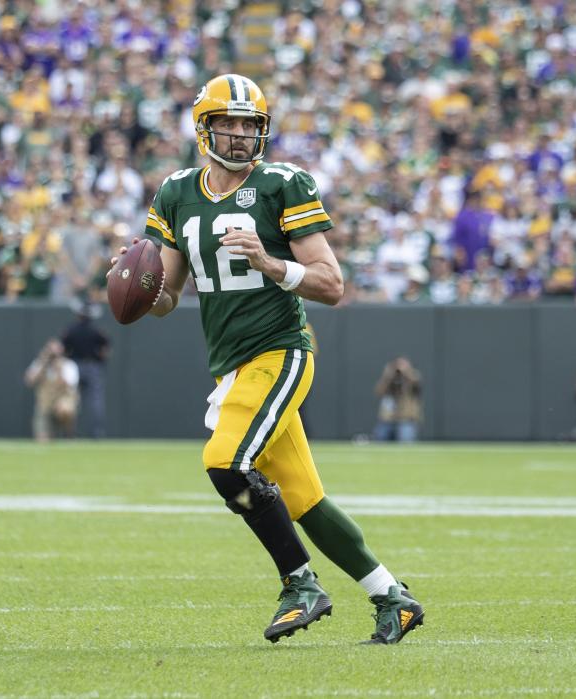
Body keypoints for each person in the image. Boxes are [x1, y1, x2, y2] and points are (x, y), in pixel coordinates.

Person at [115, 73, 424, 644]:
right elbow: (167, 300)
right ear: (204, 128)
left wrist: (271, 263)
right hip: (231, 363)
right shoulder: (177, 192)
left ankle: (300, 581)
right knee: (306, 502)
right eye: (227, 124)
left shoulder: (285, 184)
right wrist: (137, 289)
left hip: (280, 351)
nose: (239, 135)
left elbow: (332, 285)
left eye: (248, 125)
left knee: (225, 462)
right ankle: (392, 597)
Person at [61, 301, 109, 438]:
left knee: (72, 399)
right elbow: (105, 349)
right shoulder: (96, 331)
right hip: (92, 366)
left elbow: (63, 349)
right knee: (95, 401)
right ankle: (97, 433)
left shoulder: (71, 330)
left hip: (74, 366)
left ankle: (69, 433)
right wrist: (101, 361)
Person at [23, 338, 79, 442]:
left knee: (65, 410)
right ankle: (50, 434)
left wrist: (59, 369)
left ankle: (69, 435)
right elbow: (29, 381)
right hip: (44, 406)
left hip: (61, 402)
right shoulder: (40, 364)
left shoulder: (68, 365)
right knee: (42, 440)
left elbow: (70, 386)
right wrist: (43, 364)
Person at [373, 357, 423, 443]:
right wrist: (388, 375)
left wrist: (406, 372)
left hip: (406, 419)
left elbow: (416, 383)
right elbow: (379, 391)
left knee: (405, 441)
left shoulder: (412, 378)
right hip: (388, 419)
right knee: (380, 440)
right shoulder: (389, 380)